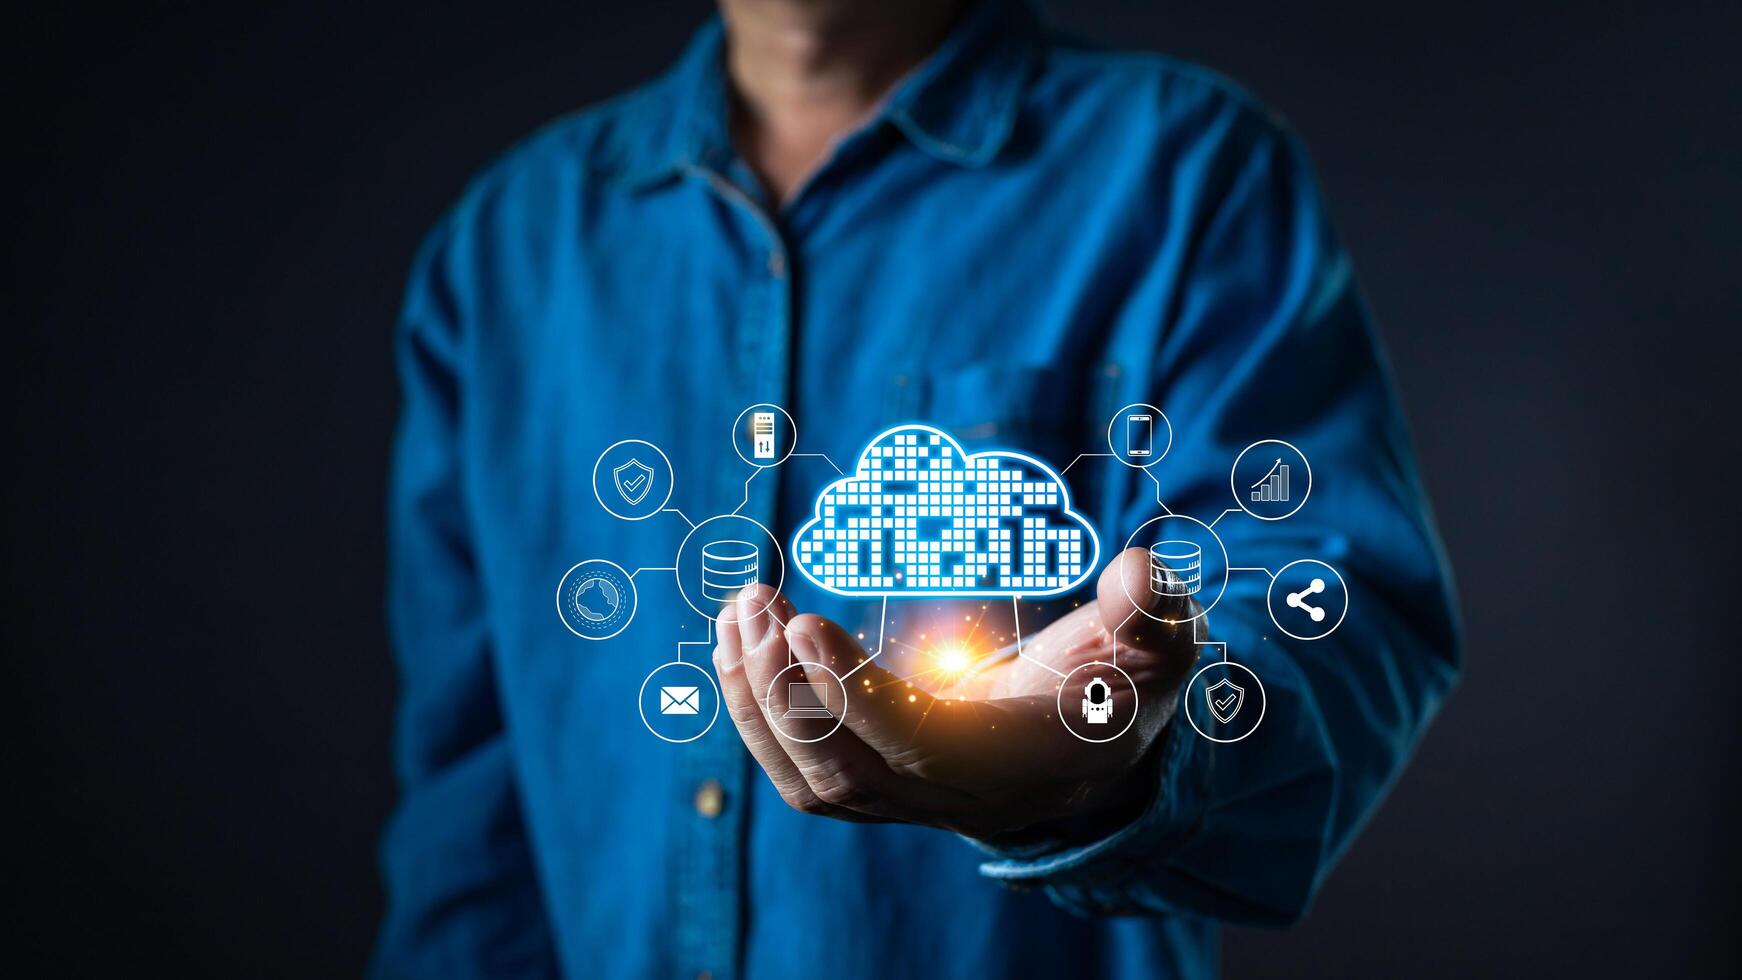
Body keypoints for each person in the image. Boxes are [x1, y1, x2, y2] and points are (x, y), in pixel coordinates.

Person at [372, 0, 1461, 976]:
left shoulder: (1184, 171)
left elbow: (1324, 596)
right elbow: (471, 807)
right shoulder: (504, 250)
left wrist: (1118, 751)